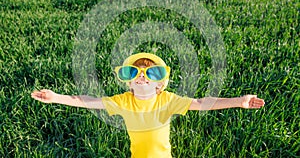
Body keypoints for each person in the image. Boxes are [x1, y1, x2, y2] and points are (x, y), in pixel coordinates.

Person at [31, 52, 265, 158]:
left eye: (150, 72)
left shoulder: (168, 100)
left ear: (160, 85)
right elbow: (84, 100)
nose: (142, 75)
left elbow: (202, 103)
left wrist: (239, 102)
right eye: (134, 72)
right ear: (129, 83)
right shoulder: (123, 102)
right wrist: (56, 97)